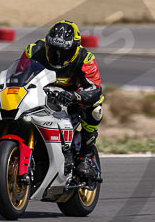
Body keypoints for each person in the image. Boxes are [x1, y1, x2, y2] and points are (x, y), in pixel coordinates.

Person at [19, 19, 104, 181]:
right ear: (47, 44)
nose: (57, 56)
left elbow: (95, 89)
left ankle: (86, 155)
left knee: (95, 110)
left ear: (74, 49)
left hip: (72, 99)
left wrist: (75, 96)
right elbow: (18, 75)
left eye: (63, 51)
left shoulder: (85, 58)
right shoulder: (33, 50)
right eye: (53, 49)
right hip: (40, 95)